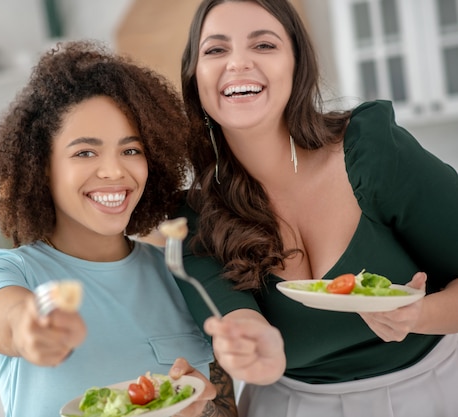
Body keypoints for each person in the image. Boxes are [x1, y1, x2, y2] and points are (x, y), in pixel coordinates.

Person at [173, 0, 458, 416]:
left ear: (297, 64)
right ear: (194, 78)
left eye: (264, 45)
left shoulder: (371, 153)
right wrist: (252, 347)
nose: (237, 63)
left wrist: (417, 315)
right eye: (216, 50)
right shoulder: (194, 218)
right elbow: (237, 324)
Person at [0, 40, 238, 417]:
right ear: (42, 166)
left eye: (131, 150)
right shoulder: (7, 273)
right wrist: (32, 329)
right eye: (85, 152)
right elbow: (11, 321)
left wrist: (197, 409)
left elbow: (224, 406)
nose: (114, 171)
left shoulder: (182, 274)